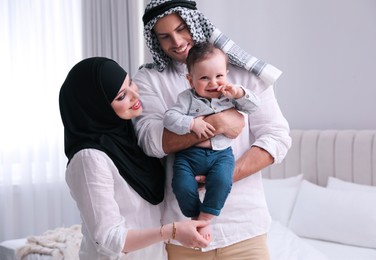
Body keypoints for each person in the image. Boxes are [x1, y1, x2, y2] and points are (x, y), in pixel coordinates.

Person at [133, 0, 292, 259]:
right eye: (165, 36)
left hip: (244, 228)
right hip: (182, 231)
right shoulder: (149, 80)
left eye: (182, 28)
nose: (177, 41)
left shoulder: (243, 77)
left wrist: (225, 177)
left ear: (196, 23)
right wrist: (218, 123)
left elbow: (277, 138)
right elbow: (151, 142)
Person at [59, 57, 211, 260]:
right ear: (98, 107)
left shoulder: (131, 138)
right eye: (121, 96)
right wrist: (172, 231)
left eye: (130, 82)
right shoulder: (89, 159)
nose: (134, 95)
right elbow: (108, 238)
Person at [162, 42, 261, 240]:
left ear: (226, 74)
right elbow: (169, 117)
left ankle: (205, 219)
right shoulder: (186, 98)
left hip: (221, 155)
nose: (213, 83)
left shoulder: (229, 97)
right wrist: (191, 124)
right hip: (189, 156)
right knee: (181, 186)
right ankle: (194, 216)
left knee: (223, 181)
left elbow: (253, 107)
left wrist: (239, 93)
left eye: (219, 76)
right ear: (191, 80)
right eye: (204, 78)